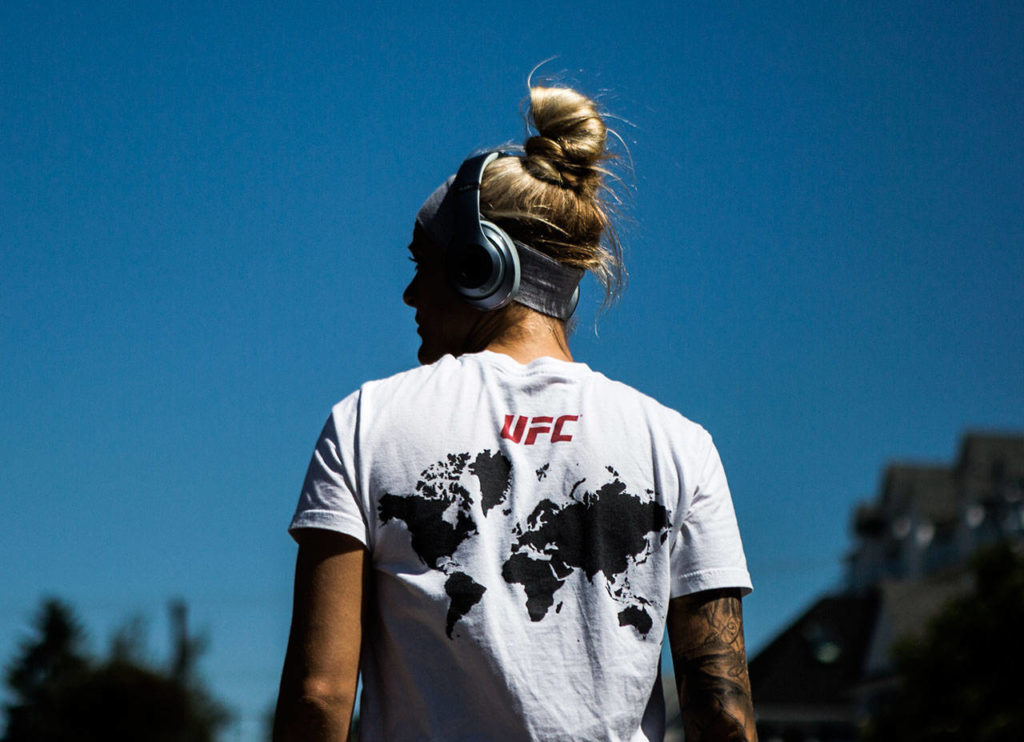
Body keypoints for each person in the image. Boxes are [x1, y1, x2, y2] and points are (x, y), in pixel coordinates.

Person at [274, 85, 757, 741]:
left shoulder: (366, 424)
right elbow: (724, 714)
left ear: (481, 265)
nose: (411, 292)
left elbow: (319, 697)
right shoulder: (678, 445)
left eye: (424, 262)